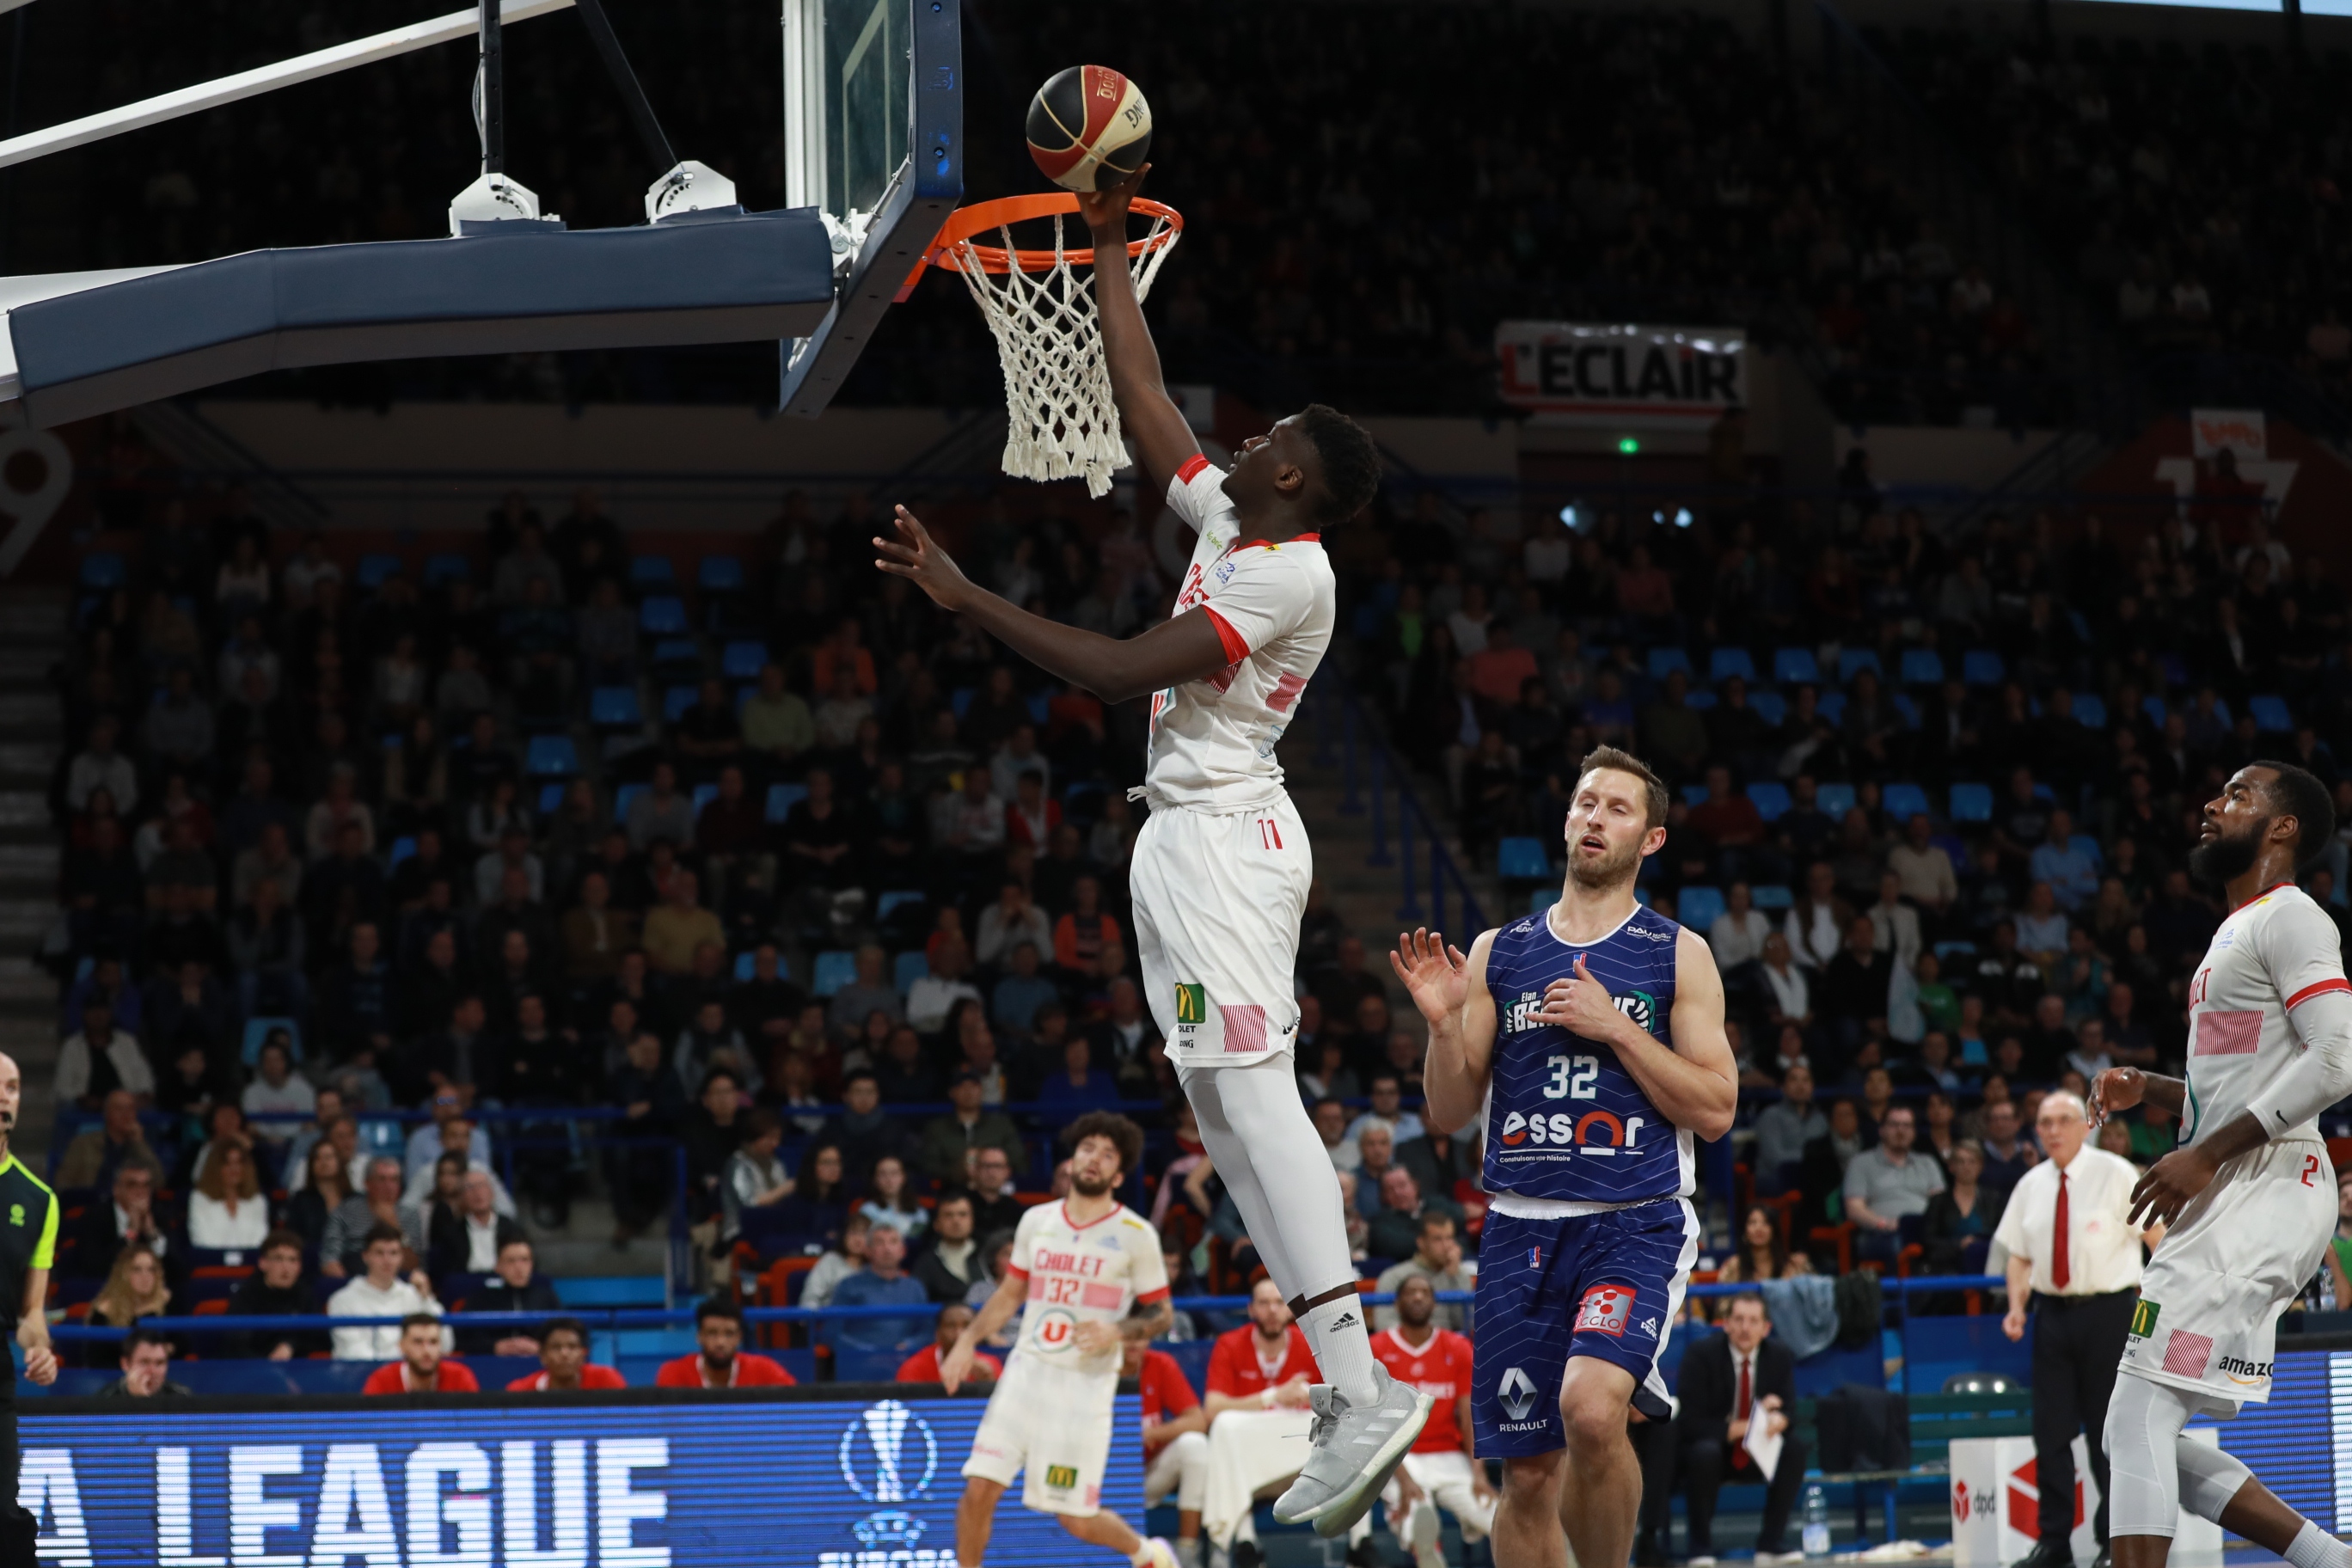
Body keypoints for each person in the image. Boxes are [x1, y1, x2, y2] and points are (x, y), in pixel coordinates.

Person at [878, 162, 1408, 1538]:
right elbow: (1146, 398)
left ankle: (1360, 1384)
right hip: (1183, 842)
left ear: (1291, 470)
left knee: (1261, 1095)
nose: (1242, 436)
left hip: (1229, 842)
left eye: (1268, 431)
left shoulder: (1287, 570)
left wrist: (961, 593)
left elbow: (1116, 671)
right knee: (1222, 1114)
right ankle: (1348, 1383)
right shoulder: (1246, 514)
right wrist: (1108, 244)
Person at [1391, 745, 1736, 1568]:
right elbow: (1446, 1111)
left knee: (1590, 1411)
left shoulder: (1675, 952)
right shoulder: (1497, 951)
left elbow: (1717, 1110)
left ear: (1649, 841)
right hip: (1519, 1228)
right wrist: (1442, 1028)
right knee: (1528, 1476)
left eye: (1617, 809)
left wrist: (1616, 1025)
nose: (1594, 818)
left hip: (1633, 1222)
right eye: (1586, 803)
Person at [2090, 762, 2352, 1568]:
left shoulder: (2293, 918)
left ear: (2284, 828)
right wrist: (2157, 1091)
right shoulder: (2234, 932)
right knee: (2140, 1427)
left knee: (2138, 1409)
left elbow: (2336, 1060)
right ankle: (2326, 1558)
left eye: (2238, 794)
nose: (2213, 803)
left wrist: (2202, 1153)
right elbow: (2240, 1087)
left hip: (2266, 1184)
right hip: (2251, 1184)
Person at [940, 1112, 1179, 1568]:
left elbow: (1161, 1312)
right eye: (1088, 1148)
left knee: (1075, 1519)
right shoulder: (1036, 1220)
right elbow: (1012, 1293)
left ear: (1119, 1175)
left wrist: (1118, 1330)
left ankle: (1148, 1555)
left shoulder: (1136, 1235)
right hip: (1027, 1371)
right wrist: (968, 1338)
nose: (1095, 1159)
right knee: (978, 1490)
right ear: (1072, 1159)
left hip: (1083, 1385)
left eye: (1108, 1155)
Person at [1995, 1089, 2160, 1568]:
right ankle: (2054, 1543)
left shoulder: (2115, 1173)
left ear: (2085, 1125)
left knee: (2106, 1436)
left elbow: (2158, 1240)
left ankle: (2114, 1543)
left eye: (2063, 1120)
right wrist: (2015, 1307)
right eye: (2044, 1122)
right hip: (2052, 1315)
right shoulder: (2030, 1184)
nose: (2052, 1131)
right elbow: (2019, 1257)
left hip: (2109, 1314)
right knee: (2049, 1433)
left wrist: (2153, 1310)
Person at [1641, 1292, 1805, 1567]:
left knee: (1795, 1449)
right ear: (1725, 1323)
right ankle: (1700, 1547)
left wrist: (1779, 1420)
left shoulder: (1778, 1356)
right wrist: (1747, 1425)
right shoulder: (1701, 1355)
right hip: (1709, 1453)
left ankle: (1771, 1543)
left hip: (1755, 1451)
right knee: (1705, 1453)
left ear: (1766, 1328)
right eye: (1738, 1320)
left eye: (1753, 1321)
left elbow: (1790, 1409)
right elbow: (1690, 1423)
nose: (1745, 1328)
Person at [1353, 1273, 1496, 1568]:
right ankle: (1429, 1554)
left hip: (1448, 1456)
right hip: (1397, 1457)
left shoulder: (1456, 1348)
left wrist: (1479, 1473)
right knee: (1417, 1515)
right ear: (1397, 1302)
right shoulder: (1376, 1350)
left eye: (1424, 1292)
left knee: (1494, 1515)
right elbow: (1373, 1424)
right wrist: (1403, 1478)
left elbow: (1469, 1417)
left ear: (1433, 1302)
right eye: (1410, 1292)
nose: (1418, 1298)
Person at [1196, 1278, 1320, 1566]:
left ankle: (1359, 1545)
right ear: (1251, 1310)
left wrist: (1306, 1395)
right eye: (1264, 1303)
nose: (1272, 1310)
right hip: (1247, 1457)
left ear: (1290, 1311)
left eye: (1279, 1303)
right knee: (1225, 1425)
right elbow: (1212, 1409)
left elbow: (1338, 1405)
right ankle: (1245, 1542)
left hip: (1297, 1461)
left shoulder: (1310, 1345)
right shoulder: (1229, 1344)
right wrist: (1273, 1396)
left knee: (1340, 1428)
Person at [0, 1050, 58, 1563]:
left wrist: (41, 1350)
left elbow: (31, 1312)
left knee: (5, 1516)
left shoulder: (38, 1199)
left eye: (13, 1087)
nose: (4, 1095)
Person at [1128, 1333, 1212, 1568]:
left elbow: (1197, 1421)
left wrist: (1151, 1434)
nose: (1133, 1341)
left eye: (1139, 1333)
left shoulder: (1159, 1364)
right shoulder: (1096, 1368)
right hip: (1105, 1482)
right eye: (1126, 1334)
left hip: (1148, 1475)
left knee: (1194, 1445)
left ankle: (1187, 1555)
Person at [1841, 1104, 1945, 1266]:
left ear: (1913, 1132)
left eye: (1906, 1126)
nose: (1900, 1131)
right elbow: (1854, 1209)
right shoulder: (1861, 1163)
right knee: (1899, 1245)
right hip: (1880, 1234)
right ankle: (1906, 1292)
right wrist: (1884, 1224)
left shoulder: (1928, 1163)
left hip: (1923, 1232)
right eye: (1894, 1125)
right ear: (1881, 1130)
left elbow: (1940, 1205)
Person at [328, 1223, 443, 1360]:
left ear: (401, 1257)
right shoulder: (342, 1300)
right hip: (359, 1377)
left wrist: (427, 1299)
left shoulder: (414, 1295)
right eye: (379, 1253)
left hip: (409, 1376)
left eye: (393, 1253)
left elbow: (445, 1344)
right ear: (365, 1256)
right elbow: (354, 1354)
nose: (387, 1260)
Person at [826, 1222, 931, 1361]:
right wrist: (868, 1353)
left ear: (903, 1251)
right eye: (880, 1243)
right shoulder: (848, 1286)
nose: (887, 1249)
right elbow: (831, 1333)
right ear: (868, 1251)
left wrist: (908, 1345)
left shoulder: (915, 1287)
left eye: (893, 1242)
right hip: (859, 1366)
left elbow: (927, 1332)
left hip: (905, 1362)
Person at [227, 1230, 330, 1359]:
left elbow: (320, 1337)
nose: (286, 1267)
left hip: (299, 1370)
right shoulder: (246, 1295)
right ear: (263, 1263)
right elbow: (236, 1345)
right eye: (278, 1259)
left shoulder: (306, 1294)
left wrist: (291, 1345)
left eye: (292, 1260)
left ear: (300, 1266)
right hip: (253, 1370)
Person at [654, 1299, 798, 1387]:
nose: (720, 1342)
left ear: (739, 1338)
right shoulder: (674, 1373)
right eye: (712, 1333)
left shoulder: (765, 1369)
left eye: (729, 1334)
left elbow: (797, 1405)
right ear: (699, 1337)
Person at [456, 1237, 562, 1357]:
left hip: (538, 1362)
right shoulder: (481, 1298)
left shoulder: (546, 1297)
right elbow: (462, 1339)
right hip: (492, 1364)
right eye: (511, 1261)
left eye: (524, 1260)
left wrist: (542, 1347)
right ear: (498, 1266)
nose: (518, 1267)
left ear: (532, 1264)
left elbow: (563, 1334)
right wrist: (494, 1347)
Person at [1372, 1211, 1473, 1332]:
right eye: (1438, 1239)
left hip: (1448, 1346)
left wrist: (1454, 1277)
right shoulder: (1394, 1277)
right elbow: (1385, 1326)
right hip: (1408, 1346)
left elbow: (1467, 1324)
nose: (1446, 1246)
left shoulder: (1459, 1274)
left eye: (1449, 1238)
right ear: (1421, 1242)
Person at [363, 1312, 481, 1393]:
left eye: (433, 1342)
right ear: (402, 1346)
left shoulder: (460, 1377)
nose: (427, 1351)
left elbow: (477, 1424)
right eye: (418, 1342)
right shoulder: (381, 1381)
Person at [187, 1138, 269, 1249]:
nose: (234, 1169)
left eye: (239, 1163)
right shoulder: (199, 1199)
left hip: (250, 1264)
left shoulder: (257, 1200)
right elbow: (201, 1240)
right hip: (211, 1263)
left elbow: (260, 1240)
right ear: (216, 1167)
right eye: (228, 1164)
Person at [506, 1317, 628, 1391]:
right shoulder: (521, 1391)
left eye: (572, 1347)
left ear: (583, 1354)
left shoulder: (607, 1381)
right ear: (543, 1356)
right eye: (556, 1347)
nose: (564, 1354)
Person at [896, 1302, 1001, 1384]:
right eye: (951, 1326)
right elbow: (907, 1408)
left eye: (966, 1326)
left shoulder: (991, 1366)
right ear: (937, 1333)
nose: (959, 1334)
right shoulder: (915, 1367)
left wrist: (988, 1384)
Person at [100, 1326, 192, 1398]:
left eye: (159, 1363)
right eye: (144, 1362)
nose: (152, 1371)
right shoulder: (106, 1399)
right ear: (125, 1364)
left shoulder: (182, 1397)